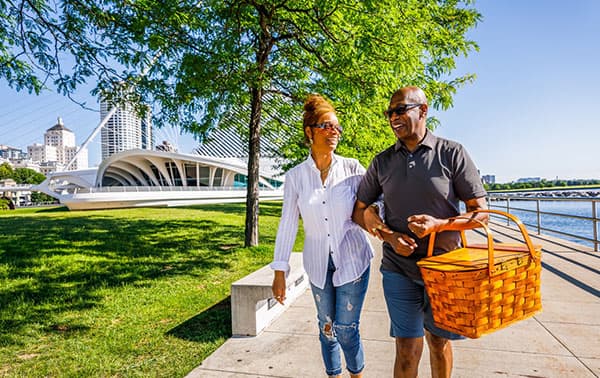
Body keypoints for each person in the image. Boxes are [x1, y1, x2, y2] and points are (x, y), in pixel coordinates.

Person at [352, 86, 489, 378]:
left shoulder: (452, 153)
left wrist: (439, 225)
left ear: (423, 110)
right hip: (398, 269)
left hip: (444, 270)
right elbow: (359, 210)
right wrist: (387, 235)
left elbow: (481, 215)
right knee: (406, 349)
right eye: (389, 112)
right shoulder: (382, 162)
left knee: (438, 343)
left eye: (400, 110)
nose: (392, 118)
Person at [271, 94, 376, 378]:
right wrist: (280, 270)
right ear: (309, 131)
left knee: (346, 328)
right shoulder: (295, 177)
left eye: (337, 128)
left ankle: (357, 375)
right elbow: (287, 224)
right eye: (326, 126)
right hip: (318, 263)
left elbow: (375, 204)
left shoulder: (353, 168)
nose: (334, 132)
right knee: (327, 328)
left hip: (353, 260)